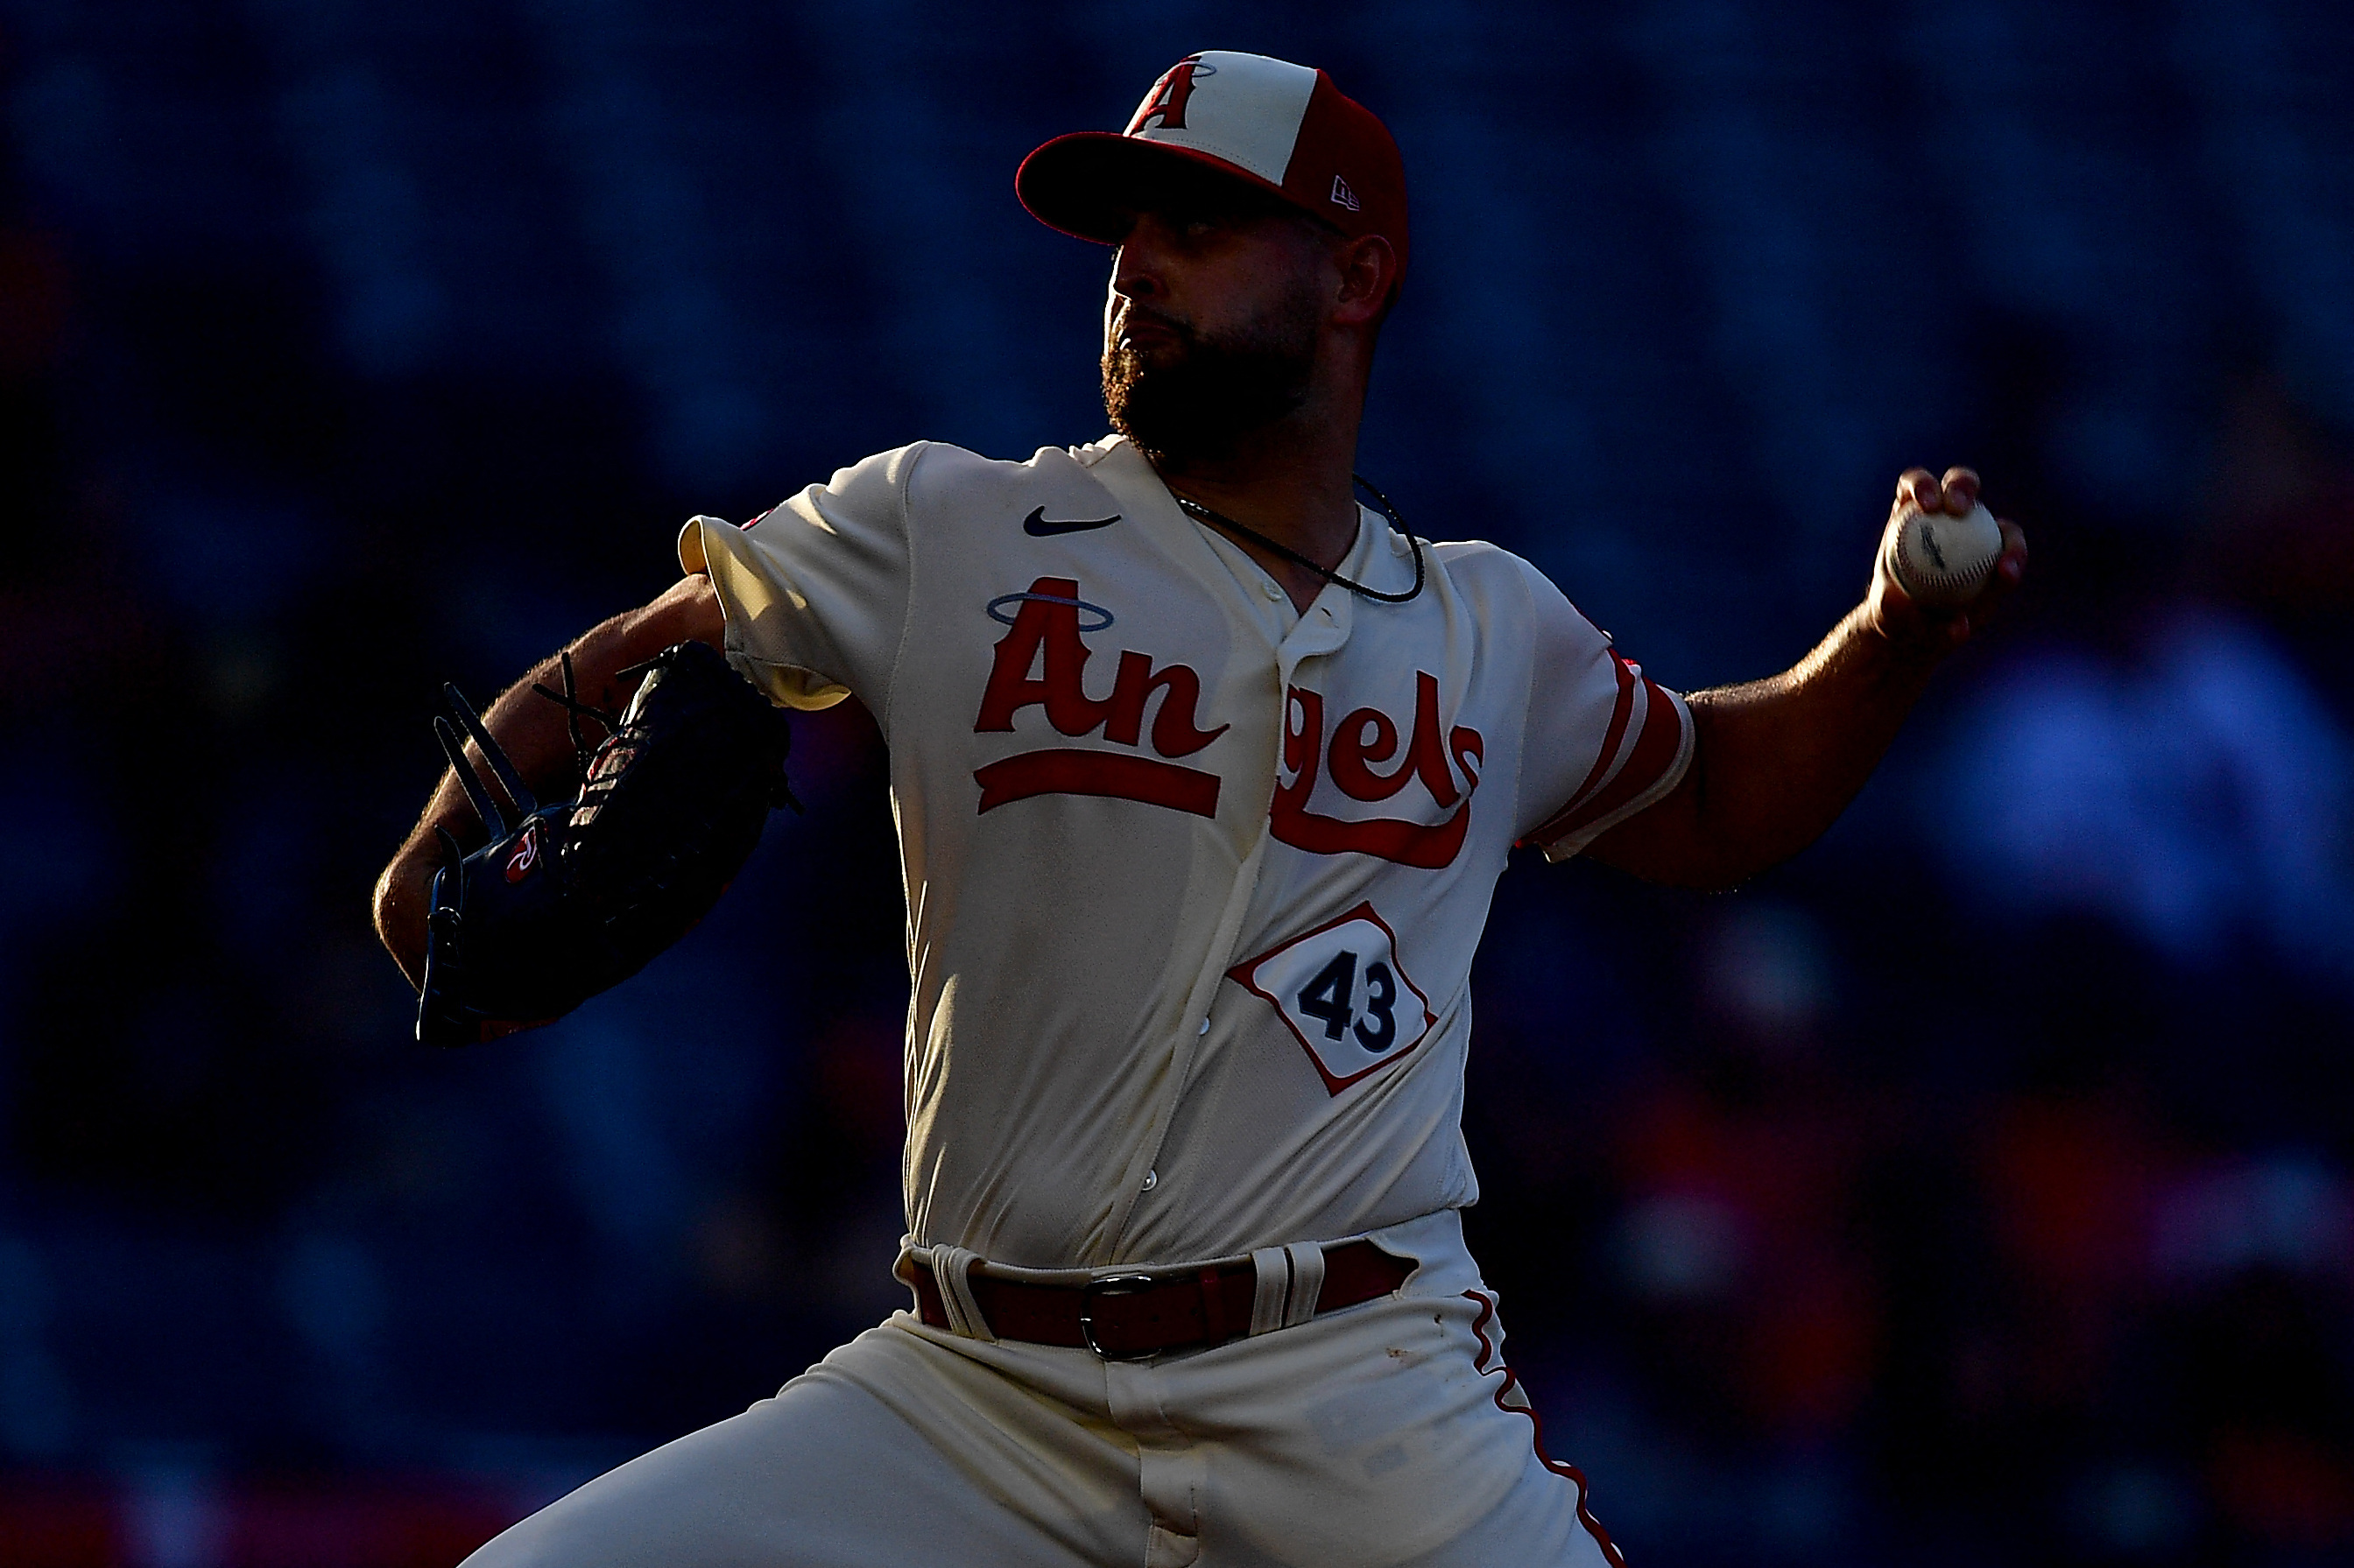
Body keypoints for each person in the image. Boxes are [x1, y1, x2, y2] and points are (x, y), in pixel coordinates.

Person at [373, 50, 2026, 1568]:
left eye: (1207, 223)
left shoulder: (1486, 629)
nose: (1140, 263)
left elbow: (1721, 795)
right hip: (975, 1395)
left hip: (1355, 1395)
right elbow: (634, 654)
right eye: (1128, 228)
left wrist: (1890, 636)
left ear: (1357, 276)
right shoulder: (948, 527)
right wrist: (441, 852)